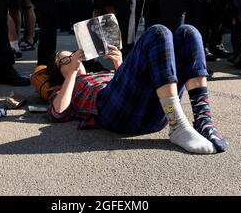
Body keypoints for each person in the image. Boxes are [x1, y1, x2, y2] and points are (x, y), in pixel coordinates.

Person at [44, 24, 227, 154]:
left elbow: (133, 83)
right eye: (66, 59)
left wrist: (119, 65)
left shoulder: (104, 72)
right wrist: (72, 74)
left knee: (188, 32)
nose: (75, 58)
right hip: (114, 115)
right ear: (59, 72)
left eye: (75, 54)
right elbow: (58, 112)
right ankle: (177, 124)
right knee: (158, 32)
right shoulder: (66, 86)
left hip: (152, 114)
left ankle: (204, 121)